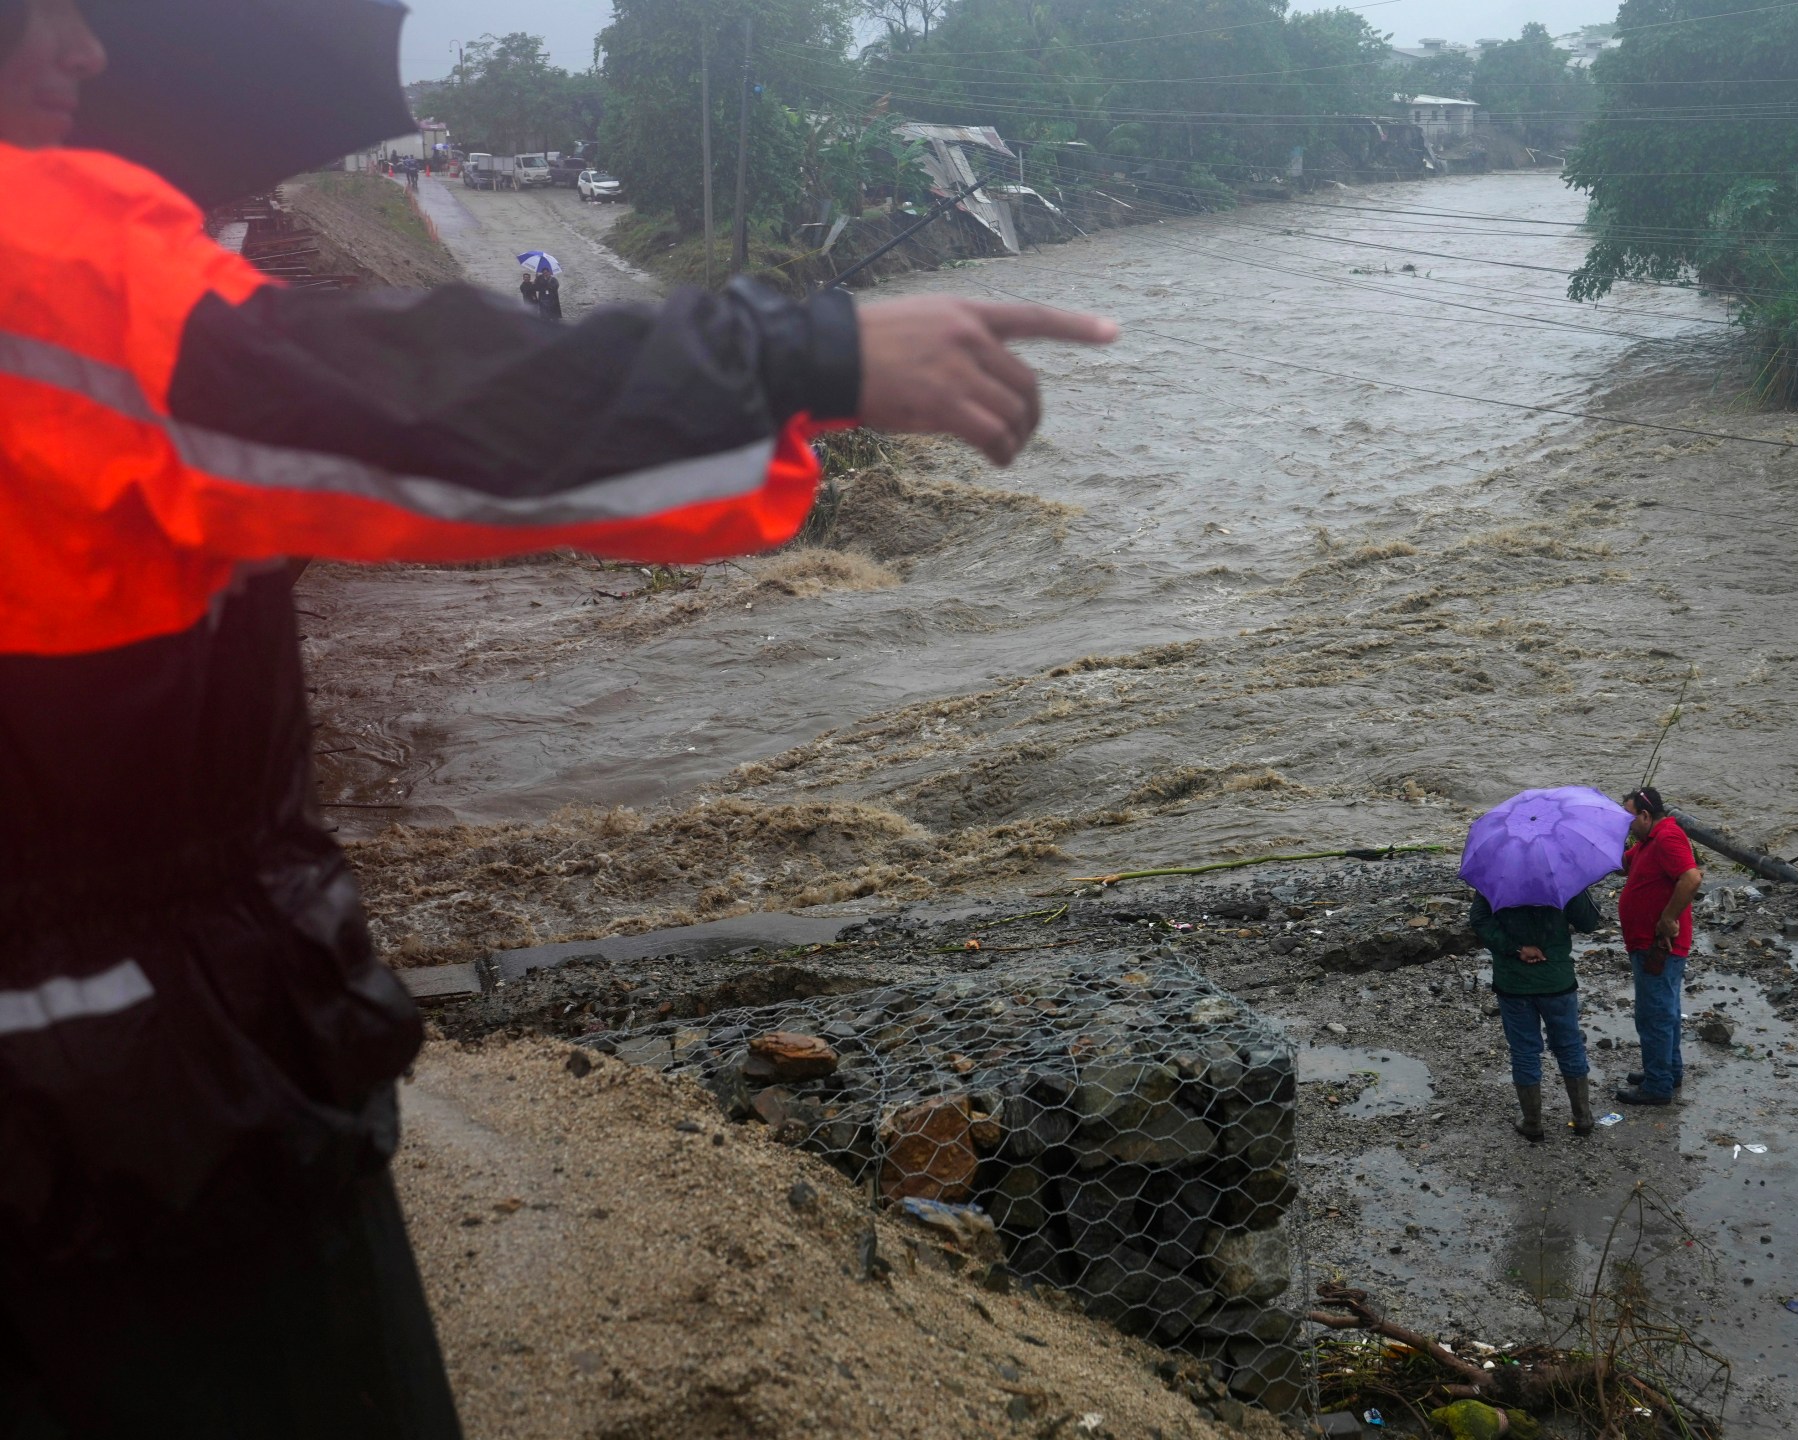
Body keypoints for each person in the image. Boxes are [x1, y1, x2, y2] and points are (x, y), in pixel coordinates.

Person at [0, 2, 1115, 1432]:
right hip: (130, 1091)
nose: (85, 54)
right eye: (38, 18)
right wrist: (794, 358)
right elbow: (414, 409)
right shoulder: (51, 261)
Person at [1469, 886, 1600, 1141]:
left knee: (1524, 1050)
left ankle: (1532, 1122)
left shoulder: (1497, 877)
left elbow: (1479, 920)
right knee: (1570, 1045)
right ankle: (1582, 1118)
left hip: (1513, 983)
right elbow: (1588, 922)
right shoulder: (1562, 876)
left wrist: (1517, 948)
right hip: (1557, 980)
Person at [1615, 786, 1703, 1106]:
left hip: (1659, 944)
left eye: (1628, 819)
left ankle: (1658, 1085)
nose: (1627, 825)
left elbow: (1691, 878)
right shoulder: (1646, 842)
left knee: (1653, 1015)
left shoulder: (1667, 837)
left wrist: (1668, 918)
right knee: (1665, 1011)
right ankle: (1668, 1072)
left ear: (1645, 815)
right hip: (1648, 944)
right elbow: (1619, 864)